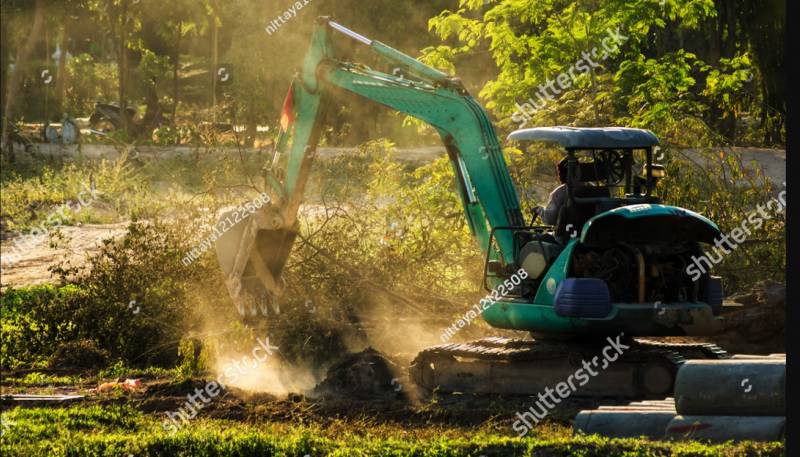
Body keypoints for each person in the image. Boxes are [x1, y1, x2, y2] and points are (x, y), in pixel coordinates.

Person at [534, 158, 568, 226]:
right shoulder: (593, 189)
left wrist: (539, 210)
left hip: (565, 233)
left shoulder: (559, 193)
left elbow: (550, 219)